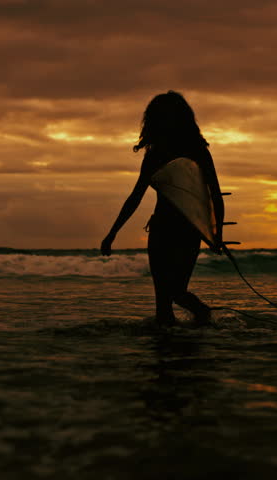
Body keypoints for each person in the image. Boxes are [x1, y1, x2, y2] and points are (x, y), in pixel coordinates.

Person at [101, 91, 225, 326]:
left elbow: (215, 195)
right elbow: (136, 196)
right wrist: (113, 232)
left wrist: (216, 234)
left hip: (188, 231)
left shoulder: (197, 151)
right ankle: (167, 355)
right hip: (161, 230)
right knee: (162, 304)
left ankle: (203, 318)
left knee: (177, 291)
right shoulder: (155, 154)